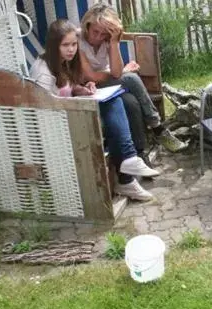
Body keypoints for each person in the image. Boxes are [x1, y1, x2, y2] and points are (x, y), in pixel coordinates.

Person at [29, 19, 159, 201]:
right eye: (65, 45)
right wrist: (78, 101)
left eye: (74, 44)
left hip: (71, 113)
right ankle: (127, 174)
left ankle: (129, 167)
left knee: (117, 101)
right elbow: (44, 108)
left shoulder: (64, 61)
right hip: (58, 125)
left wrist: (81, 89)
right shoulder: (43, 71)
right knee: (115, 109)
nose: (71, 49)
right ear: (53, 45)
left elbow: (68, 87)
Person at [78, 3, 187, 153]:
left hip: (103, 86)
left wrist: (114, 42)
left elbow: (115, 73)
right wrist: (123, 71)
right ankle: (158, 128)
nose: (98, 37)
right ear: (87, 26)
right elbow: (91, 75)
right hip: (85, 88)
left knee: (131, 102)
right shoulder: (78, 41)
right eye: (95, 31)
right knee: (131, 79)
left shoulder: (108, 40)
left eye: (103, 34)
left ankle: (140, 153)